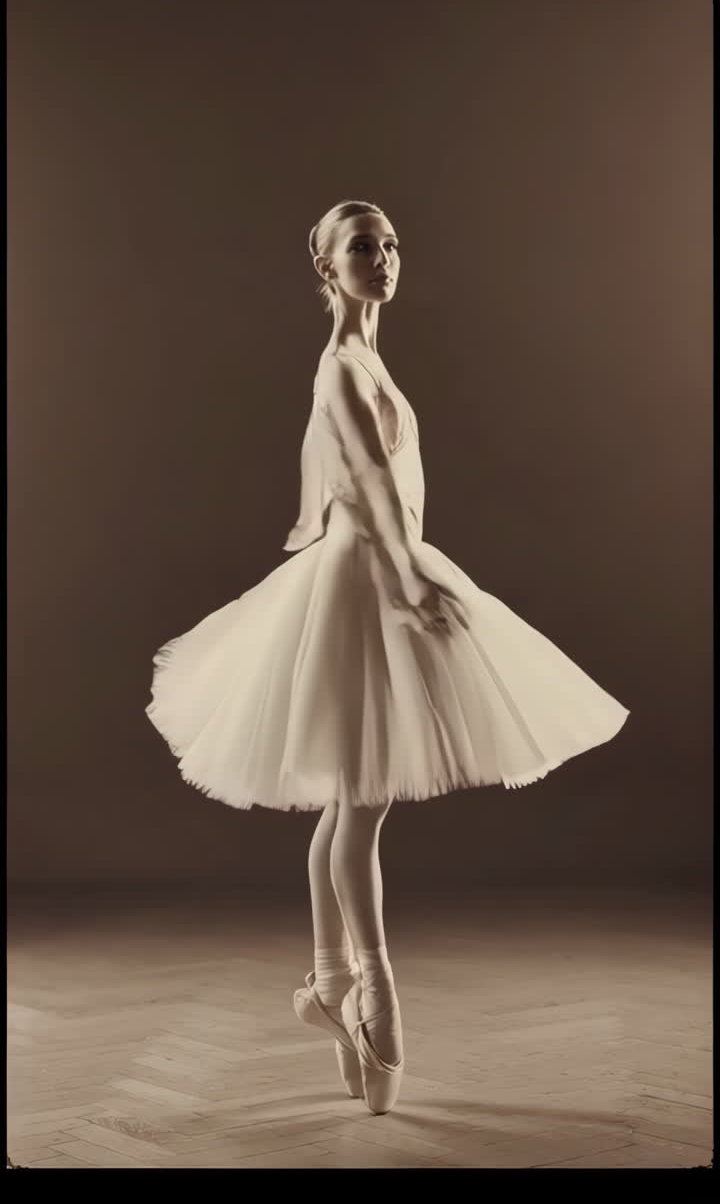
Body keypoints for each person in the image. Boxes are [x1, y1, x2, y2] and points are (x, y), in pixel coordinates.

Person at [145, 198, 630, 1115]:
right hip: (364, 586)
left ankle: (330, 985)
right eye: (363, 245)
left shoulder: (368, 357)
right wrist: (409, 578)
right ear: (326, 267)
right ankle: (376, 987)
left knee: (346, 802)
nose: (385, 257)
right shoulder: (339, 367)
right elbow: (365, 479)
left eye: (393, 244)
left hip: (381, 576)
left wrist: (409, 567)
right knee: (361, 806)